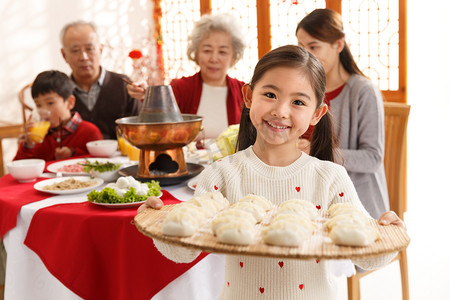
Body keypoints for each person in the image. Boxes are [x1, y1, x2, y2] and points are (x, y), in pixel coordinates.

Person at [138, 45, 405, 299]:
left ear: (317, 113)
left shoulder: (330, 178)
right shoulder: (222, 174)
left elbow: (366, 255)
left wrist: (388, 233)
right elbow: (183, 250)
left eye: (298, 102)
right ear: (248, 96)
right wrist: (159, 225)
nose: (280, 111)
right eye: (270, 95)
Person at [296, 8, 389, 219]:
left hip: (356, 205)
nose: (306, 55)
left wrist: (317, 151)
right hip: (311, 199)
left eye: (314, 46)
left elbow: (372, 158)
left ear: (338, 44)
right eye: (301, 46)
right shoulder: (304, 89)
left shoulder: (363, 91)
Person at [127, 14, 246, 138]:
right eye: (207, 50)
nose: (214, 59)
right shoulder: (181, 88)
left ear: (233, 56)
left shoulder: (244, 91)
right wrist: (146, 93)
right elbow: (160, 107)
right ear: (196, 53)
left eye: (222, 52)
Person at [60, 21, 142, 139]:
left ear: (100, 50)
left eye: (89, 49)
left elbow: (140, 130)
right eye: (75, 50)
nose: (84, 57)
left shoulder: (124, 85)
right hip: (77, 157)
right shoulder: (60, 94)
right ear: (64, 55)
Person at [14, 70, 103, 161]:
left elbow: (101, 163)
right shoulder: (38, 138)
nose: (44, 110)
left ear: (70, 102)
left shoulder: (89, 132)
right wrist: (28, 146)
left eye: (50, 103)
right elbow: (17, 169)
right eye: (38, 105)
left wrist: (73, 153)